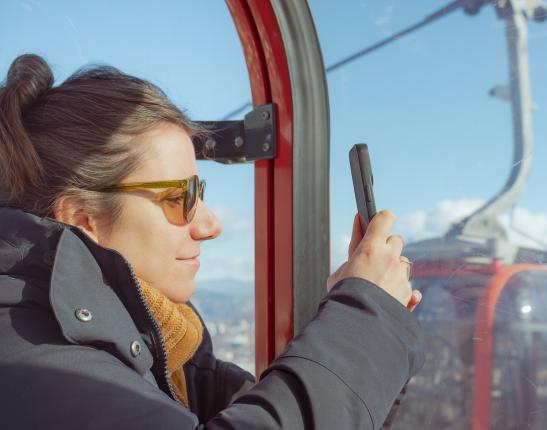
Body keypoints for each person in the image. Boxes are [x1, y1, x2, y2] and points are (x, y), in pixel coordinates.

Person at [0, 54, 424, 429]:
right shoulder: (30, 356)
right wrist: (363, 319)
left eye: (198, 194)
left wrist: (376, 332)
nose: (210, 225)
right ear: (82, 218)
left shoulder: (169, 356)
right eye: (176, 198)